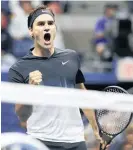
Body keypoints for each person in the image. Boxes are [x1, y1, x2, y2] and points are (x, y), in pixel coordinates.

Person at [8, 5, 107, 150]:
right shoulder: (19, 68)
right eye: (41, 24)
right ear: (31, 31)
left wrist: (96, 131)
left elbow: (83, 96)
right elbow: (22, 116)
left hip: (74, 140)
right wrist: (30, 89)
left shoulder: (71, 57)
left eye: (50, 23)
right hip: (41, 140)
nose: (47, 27)